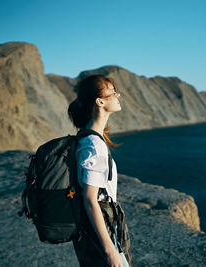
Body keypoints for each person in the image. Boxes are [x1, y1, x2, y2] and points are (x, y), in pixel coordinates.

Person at [67, 75, 131, 267]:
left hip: (94, 231)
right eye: (113, 92)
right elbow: (90, 199)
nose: (118, 95)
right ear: (100, 101)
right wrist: (110, 251)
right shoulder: (94, 145)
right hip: (101, 233)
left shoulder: (86, 136)